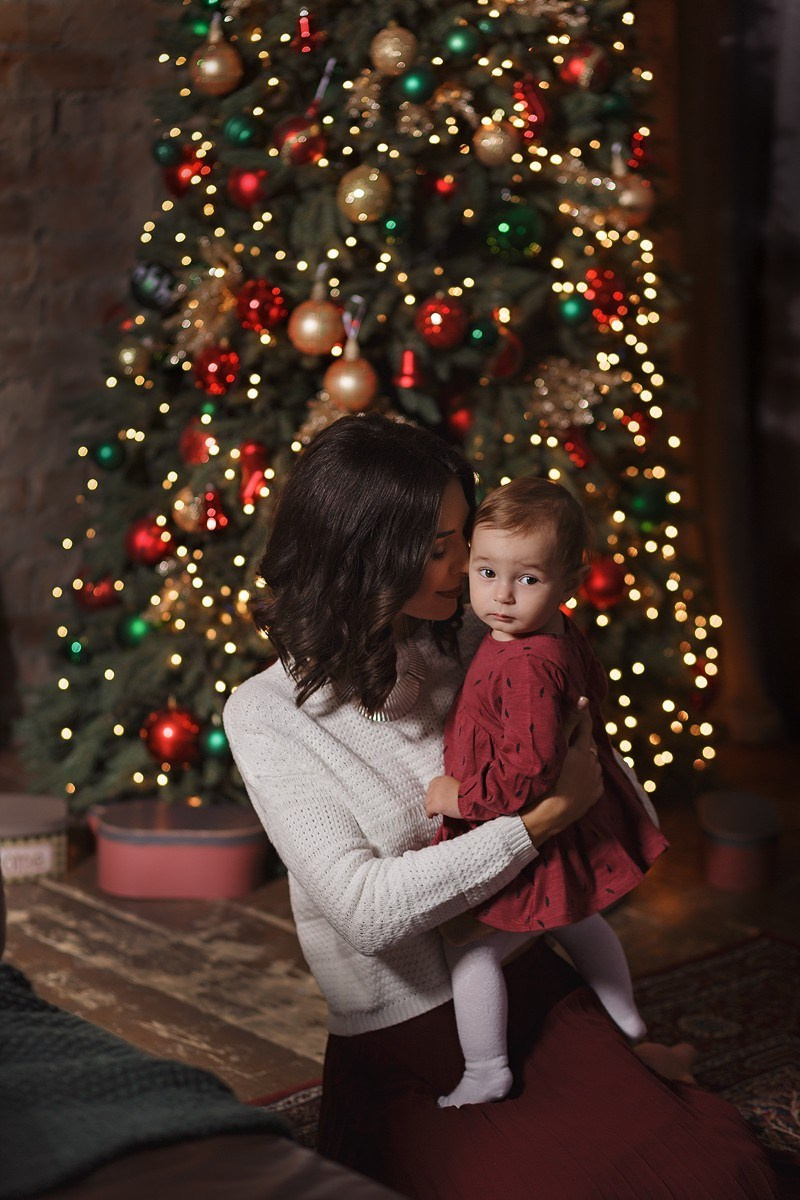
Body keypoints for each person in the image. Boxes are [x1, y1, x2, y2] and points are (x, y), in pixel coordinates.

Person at [223, 415, 780, 1199]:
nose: (465, 568)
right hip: (409, 1030)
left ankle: (635, 1070)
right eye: (439, 546)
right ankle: (636, 1076)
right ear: (366, 551)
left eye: (462, 538)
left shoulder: (468, 637)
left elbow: (572, 738)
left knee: (719, 1174)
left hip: (521, 967)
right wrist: (540, 821)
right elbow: (365, 911)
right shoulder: (264, 714)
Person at [423, 477, 669, 1109]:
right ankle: (627, 1016)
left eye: (527, 579)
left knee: (474, 952)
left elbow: (524, 776)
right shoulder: (550, 632)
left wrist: (456, 797)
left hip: (525, 829)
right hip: (561, 827)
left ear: (566, 581)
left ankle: (486, 1068)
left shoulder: (527, 663)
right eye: (485, 571)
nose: (501, 595)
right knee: (582, 917)